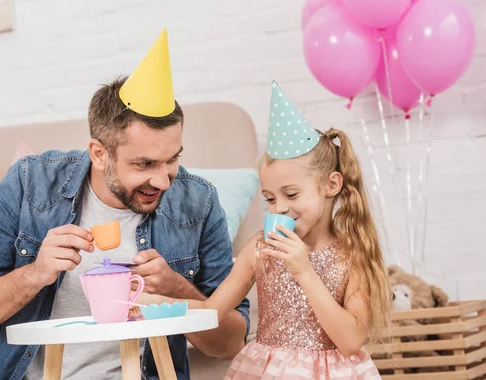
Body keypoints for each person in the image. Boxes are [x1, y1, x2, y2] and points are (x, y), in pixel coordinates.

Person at [0, 29, 249, 380]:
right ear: (99, 154)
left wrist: (177, 290)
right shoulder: (31, 183)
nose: (164, 180)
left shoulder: (198, 202)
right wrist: (35, 274)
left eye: (172, 160)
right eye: (145, 164)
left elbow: (230, 342)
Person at [140, 81, 390, 379]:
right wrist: (155, 304)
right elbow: (212, 310)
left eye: (292, 195)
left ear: (331, 185)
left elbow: (350, 342)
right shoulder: (260, 249)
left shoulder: (351, 254)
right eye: (270, 199)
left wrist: (304, 271)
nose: (279, 209)